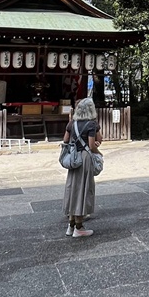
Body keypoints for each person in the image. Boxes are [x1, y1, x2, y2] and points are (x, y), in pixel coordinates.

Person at [62, 97, 102, 237]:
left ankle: (71, 225)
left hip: (74, 157)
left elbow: (66, 140)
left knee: (73, 188)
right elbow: (93, 145)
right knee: (83, 189)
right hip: (85, 158)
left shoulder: (72, 123)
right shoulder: (92, 124)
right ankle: (79, 227)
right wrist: (98, 153)